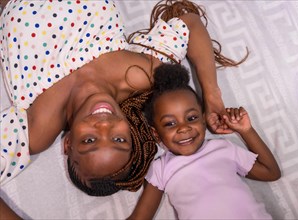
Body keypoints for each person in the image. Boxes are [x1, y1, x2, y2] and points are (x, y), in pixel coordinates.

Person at [0, 0, 247, 218]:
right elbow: (190, 24)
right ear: (132, 132)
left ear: (68, 145)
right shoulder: (139, 74)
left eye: (89, 140)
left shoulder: (38, 128)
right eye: (118, 138)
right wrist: (212, 97)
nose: (104, 125)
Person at [127, 63, 281, 220]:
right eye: (170, 123)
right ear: (156, 134)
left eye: (192, 118)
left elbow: (271, 172)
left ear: (203, 120)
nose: (184, 128)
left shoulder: (224, 148)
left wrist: (247, 131)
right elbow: (141, 217)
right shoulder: (161, 168)